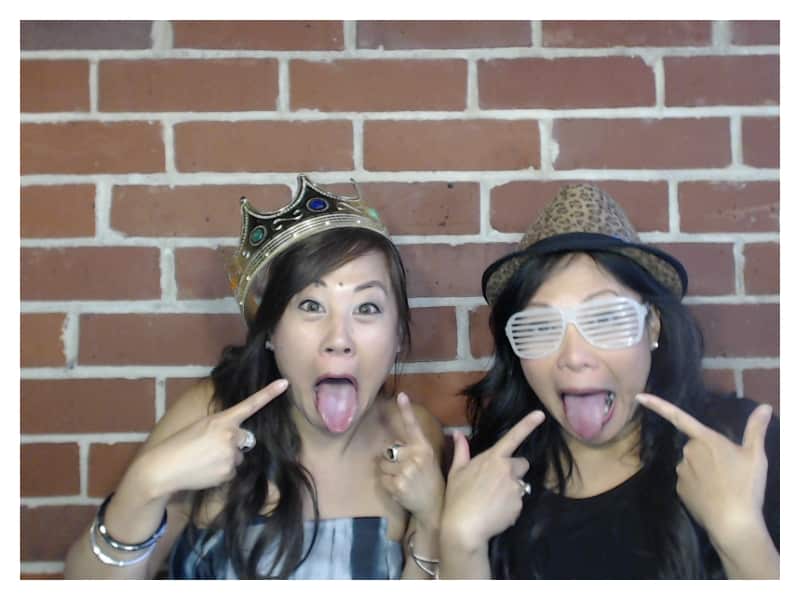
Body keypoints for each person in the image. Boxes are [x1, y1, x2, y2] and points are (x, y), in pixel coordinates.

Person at [64, 175, 445, 579]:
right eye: (312, 305)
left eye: (367, 308)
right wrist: (147, 483)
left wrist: (433, 518)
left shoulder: (412, 436)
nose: (339, 338)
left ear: (399, 334)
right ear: (271, 335)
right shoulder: (213, 413)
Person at [438, 183, 779, 579]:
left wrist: (740, 533)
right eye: (538, 327)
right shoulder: (489, 478)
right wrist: (460, 543)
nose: (573, 357)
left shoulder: (743, 450)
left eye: (605, 319)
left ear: (653, 326)